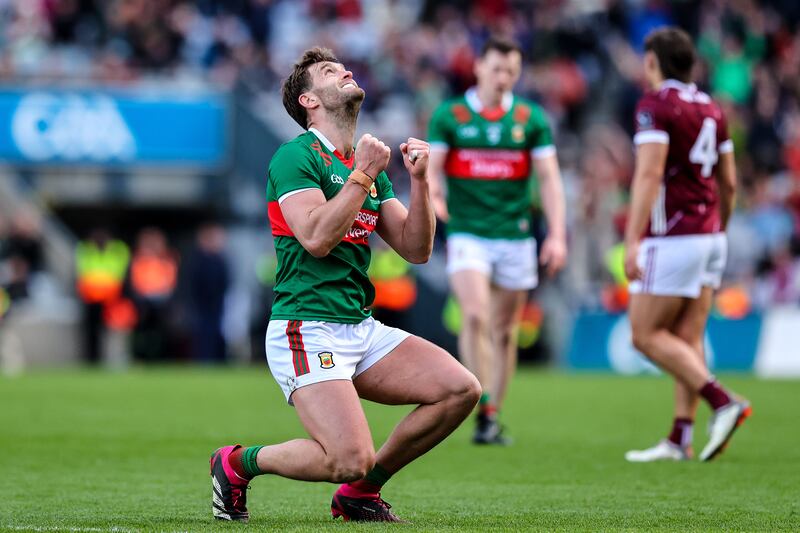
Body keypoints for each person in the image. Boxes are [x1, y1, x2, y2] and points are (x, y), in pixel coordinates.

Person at [210, 47, 481, 523]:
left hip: (358, 325)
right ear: (310, 101)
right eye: (330, 72)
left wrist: (421, 182)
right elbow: (315, 237)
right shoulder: (296, 156)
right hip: (306, 327)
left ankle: (360, 493)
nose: (346, 72)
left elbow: (416, 249)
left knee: (460, 389)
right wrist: (363, 176)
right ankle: (236, 463)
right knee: (348, 456)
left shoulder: (363, 162)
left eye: (345, 67)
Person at [427, 36, 567, 444]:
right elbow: (433, 169)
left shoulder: (530, 118)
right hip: (468, 231)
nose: (503, 77)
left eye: (511, 71)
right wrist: (435, 197)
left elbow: (549, 180)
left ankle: (491, 414)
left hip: (515, 236)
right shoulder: (450, 116)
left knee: (506, 331)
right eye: (496, 69)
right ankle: (482, 399)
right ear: (479, 68)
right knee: (474, 315)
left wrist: (556, 235)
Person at [623, 27, 751, 463]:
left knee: (643, 335)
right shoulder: (713, 108)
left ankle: (723, 401)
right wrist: (719, 229)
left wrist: (631, 239)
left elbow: (648, 174)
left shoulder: (655, 104)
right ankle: (680, 437)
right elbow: (729, 182)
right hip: (712, 233)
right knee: (687, 337)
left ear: (653, 62)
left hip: (673, 235)